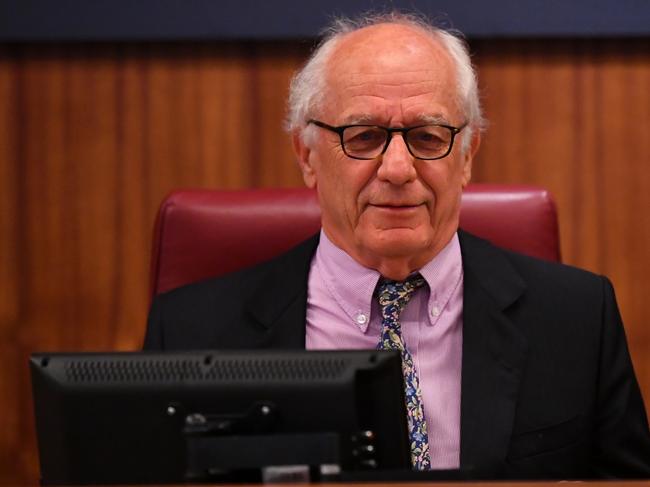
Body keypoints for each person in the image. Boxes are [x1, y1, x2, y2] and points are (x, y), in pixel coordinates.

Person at [144, 12, 650, 478]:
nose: (398, 169)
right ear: (307, 156)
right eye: (363, 137)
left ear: (468, 153)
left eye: (428, 137)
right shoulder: (192, 332)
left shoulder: (579, 319)